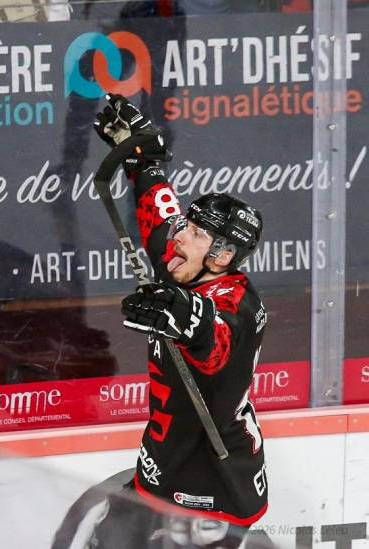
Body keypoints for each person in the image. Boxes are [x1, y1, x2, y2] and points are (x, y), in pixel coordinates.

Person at [74, 94, 268, 548]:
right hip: (165, 461)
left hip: (216, 481)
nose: (179, 236)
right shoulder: (185, 261)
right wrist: (145, 158)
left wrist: (184, 317)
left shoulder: (237, 301)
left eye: (195, 233)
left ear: (221, 255)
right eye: (188, 226)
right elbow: (158, 212)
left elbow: (216, 337)